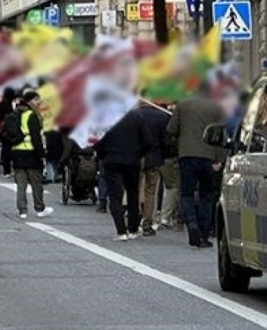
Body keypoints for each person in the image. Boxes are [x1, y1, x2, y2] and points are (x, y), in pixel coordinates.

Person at [167, 83, 225, 248]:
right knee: (208, 196)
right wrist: (219, 159)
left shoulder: (183, 105)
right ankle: (204, 234)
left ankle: (191, 223)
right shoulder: (216, 107)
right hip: (209, 156)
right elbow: (222, 134)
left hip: (187, 154)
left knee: (187, 194)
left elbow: (171, 129)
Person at [94, 109, 153, 241]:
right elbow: (148, 141)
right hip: (132, 160)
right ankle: (133, 228)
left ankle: (121, 231)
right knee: (132, 194)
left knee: (115, 196)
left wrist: (103, 155)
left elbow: (97, 141)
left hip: (112, 159)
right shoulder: (137, 116)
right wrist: (138, 154)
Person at [11, 91, 54, 219]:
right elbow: (36, 137)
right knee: (36, 183)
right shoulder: (31, 115)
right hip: (31, 153)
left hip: (17, 152)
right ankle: (39, 208)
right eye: (36, 100)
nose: (38, 103)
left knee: (21, 184)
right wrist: (41, 153)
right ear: (30, 101)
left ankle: (22, 210)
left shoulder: (15, 114)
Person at [136, 99, 172, 236]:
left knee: (135, 187)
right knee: (151, 191)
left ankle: (134, 216)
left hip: (136, 158)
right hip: (154, 158)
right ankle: (147, 222)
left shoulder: (133, 115)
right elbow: (166, 140)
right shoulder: (162, 116)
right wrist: (164, 155)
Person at [0, 87, 17, 177]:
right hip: (15, 128)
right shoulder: (15, 104)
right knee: (15, 149)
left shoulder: (1, 104)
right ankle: (15, 168)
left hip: (5, 128)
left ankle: (7, 171)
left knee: (6, 150)